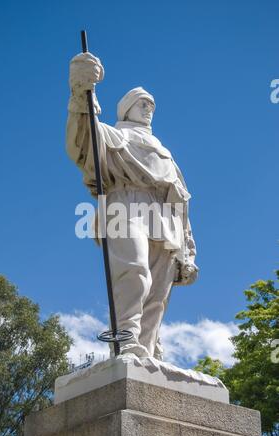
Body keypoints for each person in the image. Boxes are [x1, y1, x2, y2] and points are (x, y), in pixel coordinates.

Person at [66, 52, 198, 360]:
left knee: (159, 292)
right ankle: (125, 341)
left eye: (151, 104)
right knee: (134, 271)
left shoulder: (165, 154)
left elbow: (181, 205)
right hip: (123, 205)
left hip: (164, 218)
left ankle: (147, 351)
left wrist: (188, 252)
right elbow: (83, 140)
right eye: (142, 103)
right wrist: (82, 90)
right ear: (126, 108)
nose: (148, 108)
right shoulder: (113, 134)